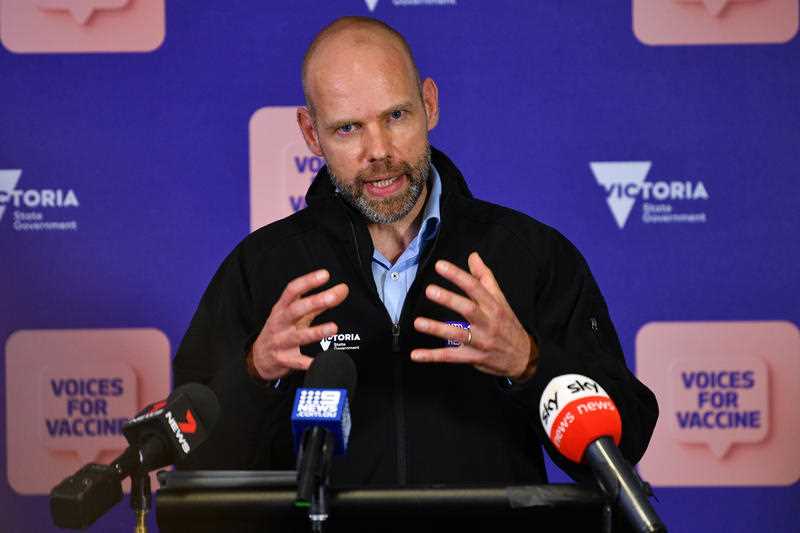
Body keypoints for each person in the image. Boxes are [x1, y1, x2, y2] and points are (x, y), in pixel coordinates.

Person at [173, 14, 657, 525]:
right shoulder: (263, 270)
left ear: (429, 104)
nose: (378, 151)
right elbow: (188, 472)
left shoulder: (527, 253)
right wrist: (255, 373)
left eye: (396, 116)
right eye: (347, 128)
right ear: (310, 133)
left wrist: (531, 364)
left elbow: (628, 438)